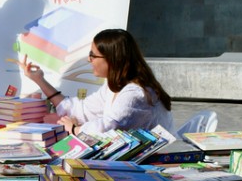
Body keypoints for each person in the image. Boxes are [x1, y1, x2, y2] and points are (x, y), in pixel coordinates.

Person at [20, 28, 174, 137]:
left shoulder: (135, 93)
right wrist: (39, 80)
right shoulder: (113, 86)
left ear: (112, 59)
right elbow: (81, 110)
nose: (89, 59)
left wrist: (75, 129)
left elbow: (110, 126)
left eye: (93, 55)